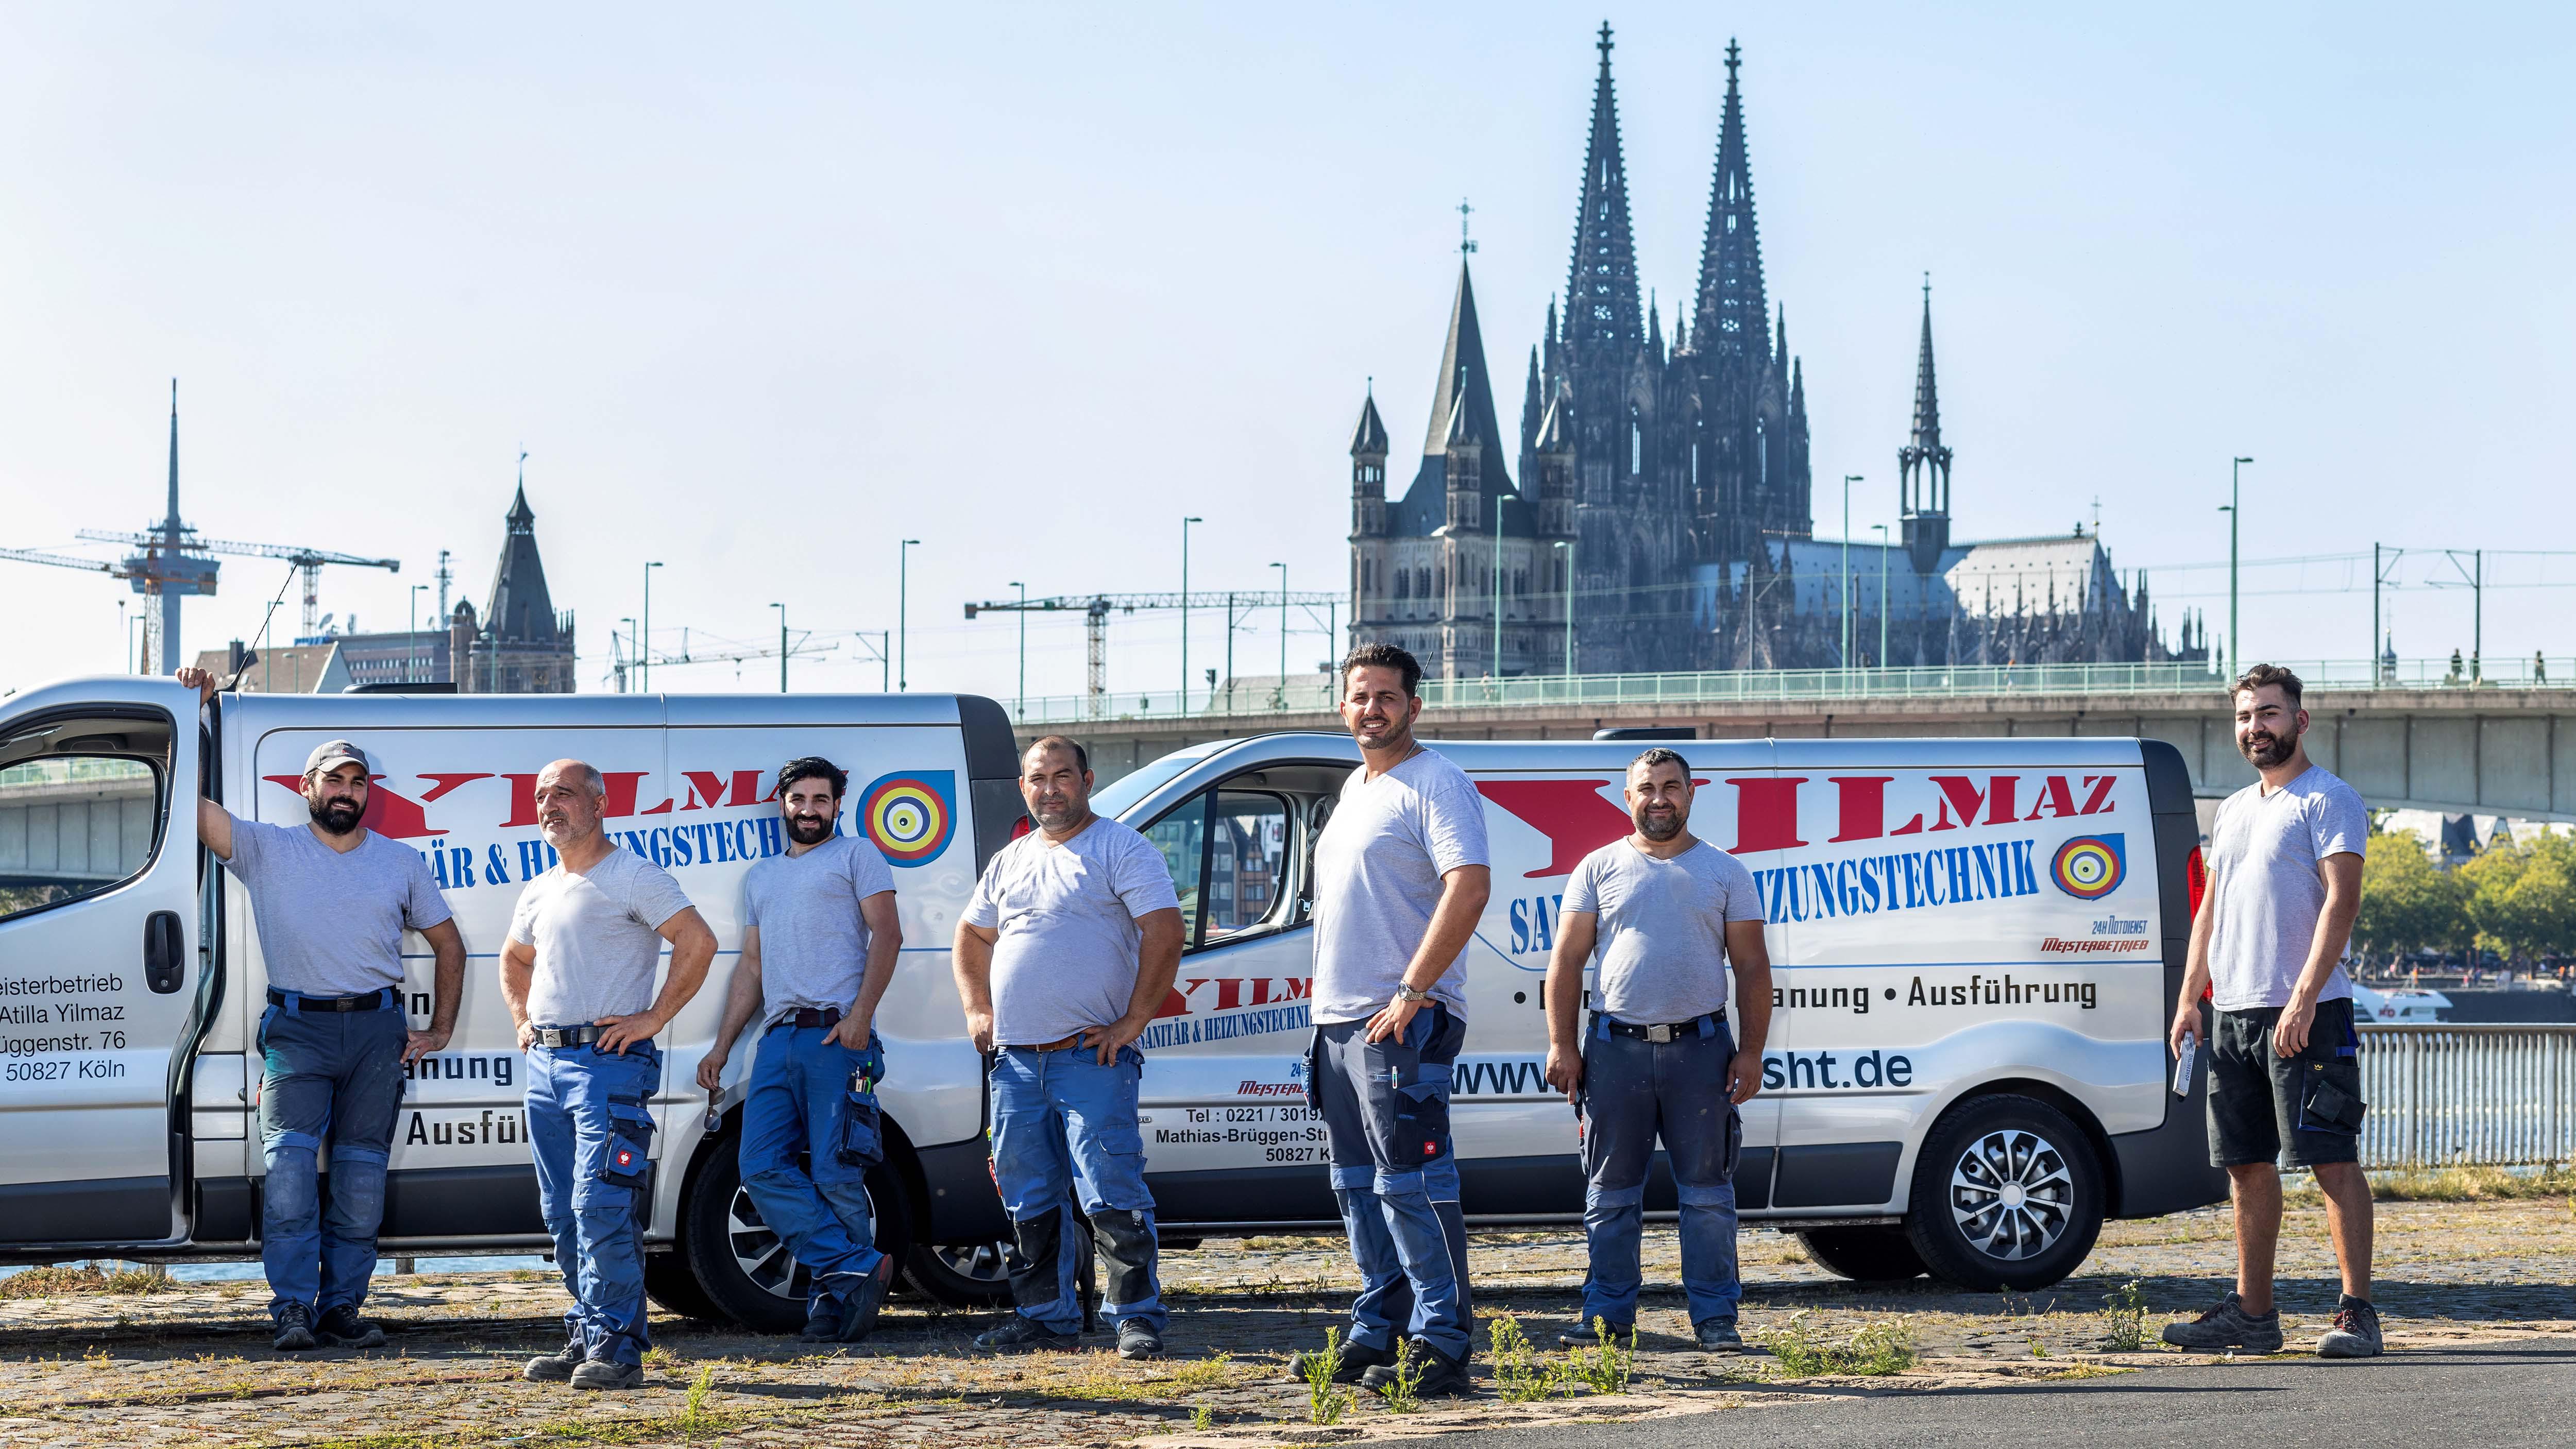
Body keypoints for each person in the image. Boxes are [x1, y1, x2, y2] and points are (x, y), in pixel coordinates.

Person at [175, 667, 466, 1353]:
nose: (345, 792)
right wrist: (192, 708)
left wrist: (441, 1028)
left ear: (369, 793)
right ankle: (294, 1310)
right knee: (288, 1180)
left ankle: (342, 1308)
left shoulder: (400, 863)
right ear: (306, 789)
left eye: (357, 782)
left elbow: (448, 945)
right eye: (333, 781)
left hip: (375, 1033)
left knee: (362, 1184)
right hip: (296, 1032)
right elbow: (186, 800)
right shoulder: (265, 848)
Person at [2165, 665, 2380, 1359]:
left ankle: (2358, 1314)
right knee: (2245, 1166)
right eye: (2245, 717)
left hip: (2307, 1012)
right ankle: (2253, 1316)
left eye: (2269, 714)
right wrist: (2191, 996)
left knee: (2330, 1159)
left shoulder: (2329, 800)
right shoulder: (2231, 810)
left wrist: (2306, 996)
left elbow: (2341, 904)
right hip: (2233, 1012)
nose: (2256, 727)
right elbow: (2211, 909)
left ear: (2299, 720)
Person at [1296, 643, 1491, 1400]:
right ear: (1341, 705)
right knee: (1355, 1185)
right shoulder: (1356, 786)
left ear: (1414, 705)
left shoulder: (1437, 782)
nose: (1371, 707)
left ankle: (1441, 1340)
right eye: (1359, 695)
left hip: (1402, 1021)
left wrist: (1413, 989)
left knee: (1413, 1180)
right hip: (1340, 1022)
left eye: (1386, 695)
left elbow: (1468, 886)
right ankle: (1376, 1328)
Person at [953, 736, 1184, 1359]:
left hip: (1092, 1057)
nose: (1049, 788)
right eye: (1037, 778)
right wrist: (978, 1008)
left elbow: (1164, 931)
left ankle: (1135, 1316)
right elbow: (972, 935)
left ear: (1085, 780)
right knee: (1027, 1194)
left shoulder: (1121, 848)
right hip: (1016, 1062)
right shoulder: (1010, 859)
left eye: (1062, 775)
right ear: (1023, 786)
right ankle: (1044, 1315)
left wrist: (1133, 1020)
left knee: (1110, 1189)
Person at [1543, 748, 1771, 1352]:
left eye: (1671, 786)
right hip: (1615, 1051)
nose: (1659, 798)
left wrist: (1750, 1052)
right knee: (1610, 1194)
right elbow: (1565, 962)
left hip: (1701, 1052)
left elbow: (1750, 967)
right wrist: (1562, 1045)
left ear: (1691, 793)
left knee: (1708, 1196)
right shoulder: (1596, 867)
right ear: (1628, 797)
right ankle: (1607, 1317)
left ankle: (1716, 1319)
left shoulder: (1726, 871)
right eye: (1646, 788)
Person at [504, 759, 718, 1391]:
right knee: (561, 1214)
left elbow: (697, 940)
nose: (550, 805)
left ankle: (619, 1348)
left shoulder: (633, 874)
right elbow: (514, 959)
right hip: (545, 1065)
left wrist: (654, 1015)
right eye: (541, 795)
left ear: (599, 802)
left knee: (600, 1203)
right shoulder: (541, 887)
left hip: (606, 1065)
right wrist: (523, 1018)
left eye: (564, 794)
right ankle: (586, 1336)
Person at [697, 756, 904, 1342]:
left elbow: (887, 934)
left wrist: (861, 1015)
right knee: (759, 1166)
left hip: (836, 1036)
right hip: (778, 1036)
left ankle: (831, 1304)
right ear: (781, 803)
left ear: (838, 804)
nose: (808, 809)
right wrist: (722, 1045)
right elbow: (753, 968)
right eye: (798, 799)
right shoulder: (762, 876)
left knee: (837, 1174)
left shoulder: (856, 855)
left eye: (820, 799)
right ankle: (854, 1268)